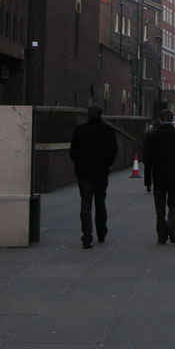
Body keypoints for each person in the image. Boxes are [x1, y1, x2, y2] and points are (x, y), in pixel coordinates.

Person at [68, 105, 119, 249]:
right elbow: (113, 151)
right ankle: (101, 232)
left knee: (85, 203)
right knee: (100, 202)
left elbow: (73, 152)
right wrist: (107, 164)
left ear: (88, 114)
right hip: (101, 173)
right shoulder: (108, 131)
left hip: (83, 172)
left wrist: (80, 163)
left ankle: (87, 236)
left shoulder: (79, 130)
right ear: (101, 114)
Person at [143, 109, 175, 244]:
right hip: (174, 177)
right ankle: (171, 225)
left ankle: (161, 234)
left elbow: (147, 160)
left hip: (158, 177)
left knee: (159, 207)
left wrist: (147, 180)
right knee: (174, 204)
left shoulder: (153, 136)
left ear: (160, 120)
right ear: (172, 120)